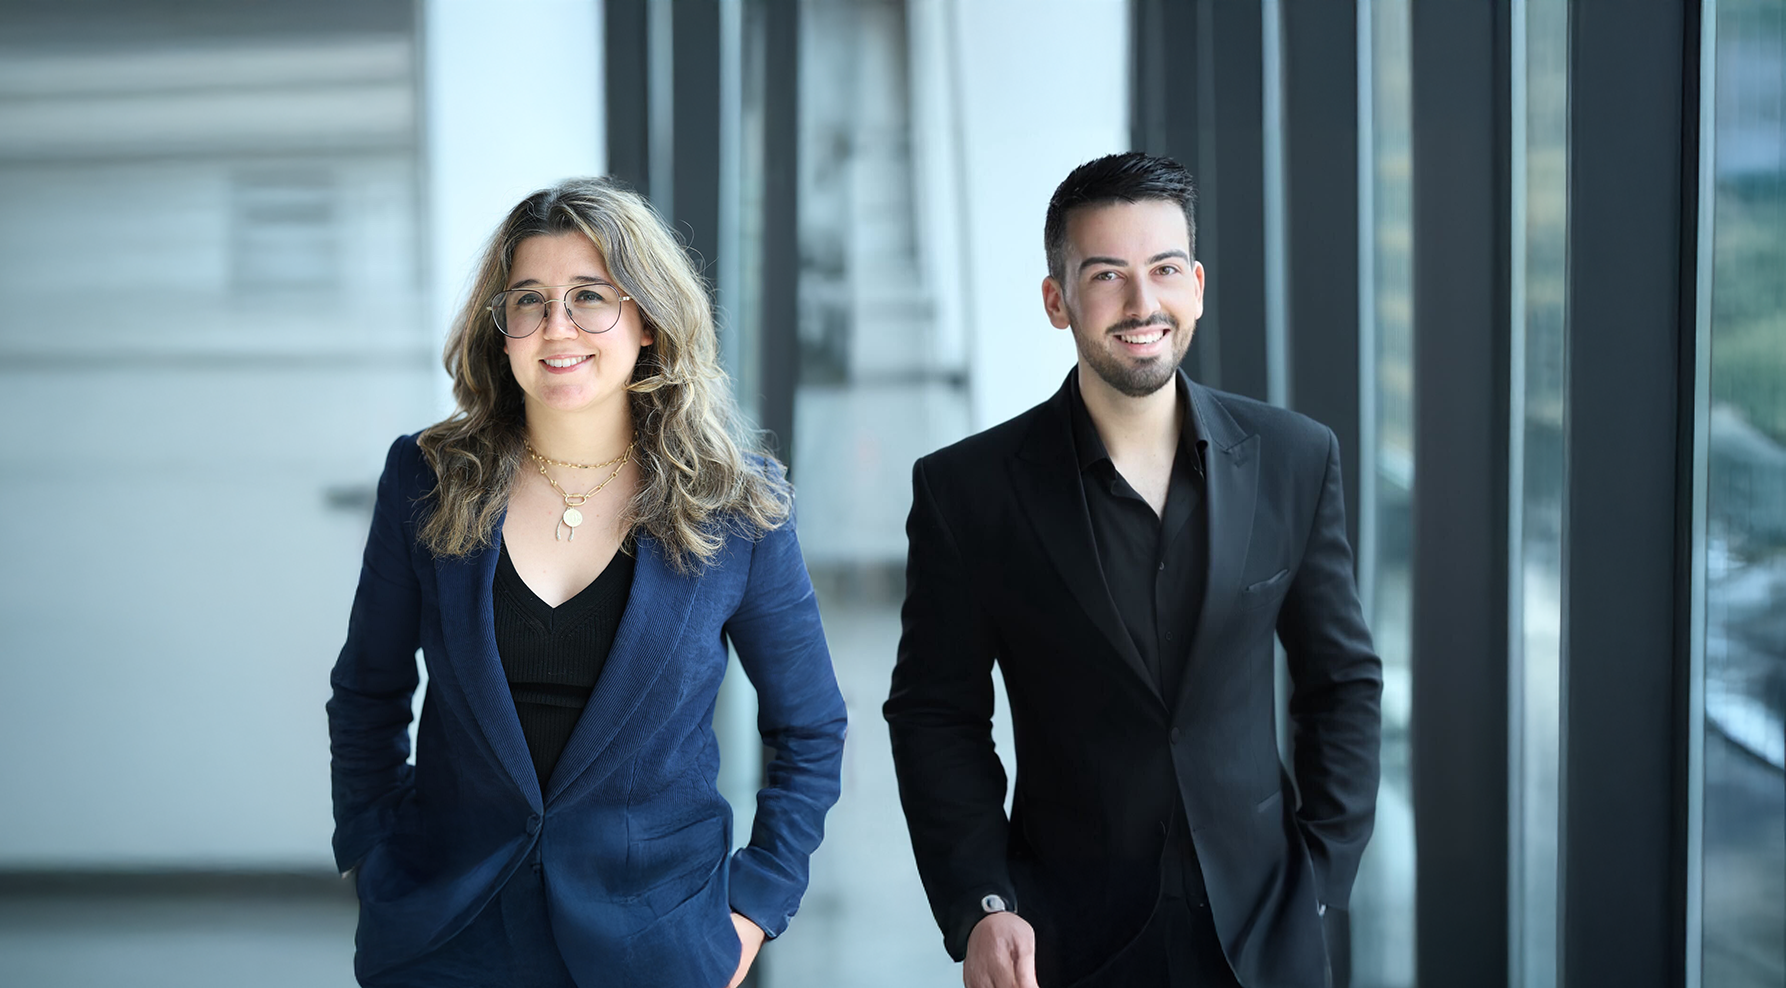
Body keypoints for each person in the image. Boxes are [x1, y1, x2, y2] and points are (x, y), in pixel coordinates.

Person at [327, 177, 847, 988]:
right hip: (446, 938)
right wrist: (373, 855)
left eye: (590, 297)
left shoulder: (738, 504)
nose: (556, 327)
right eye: (528, 301)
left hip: (656, 941)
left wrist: (757, 905)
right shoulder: (428, 479)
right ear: (501, 331)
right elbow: (368, 692)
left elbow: (810, 726)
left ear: (646, 320)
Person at [885, 151, 1382, 988]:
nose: (1141, 303)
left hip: (1267, 934)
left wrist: (1323, 874)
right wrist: (982, 903)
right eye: (1107, 275)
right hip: (1067, 938)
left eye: (1161, 271)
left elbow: (1341, 679)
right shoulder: (967, 492)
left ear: (1195, 284)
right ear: (1058, 300)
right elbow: (936, 716)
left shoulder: (1296, 458)